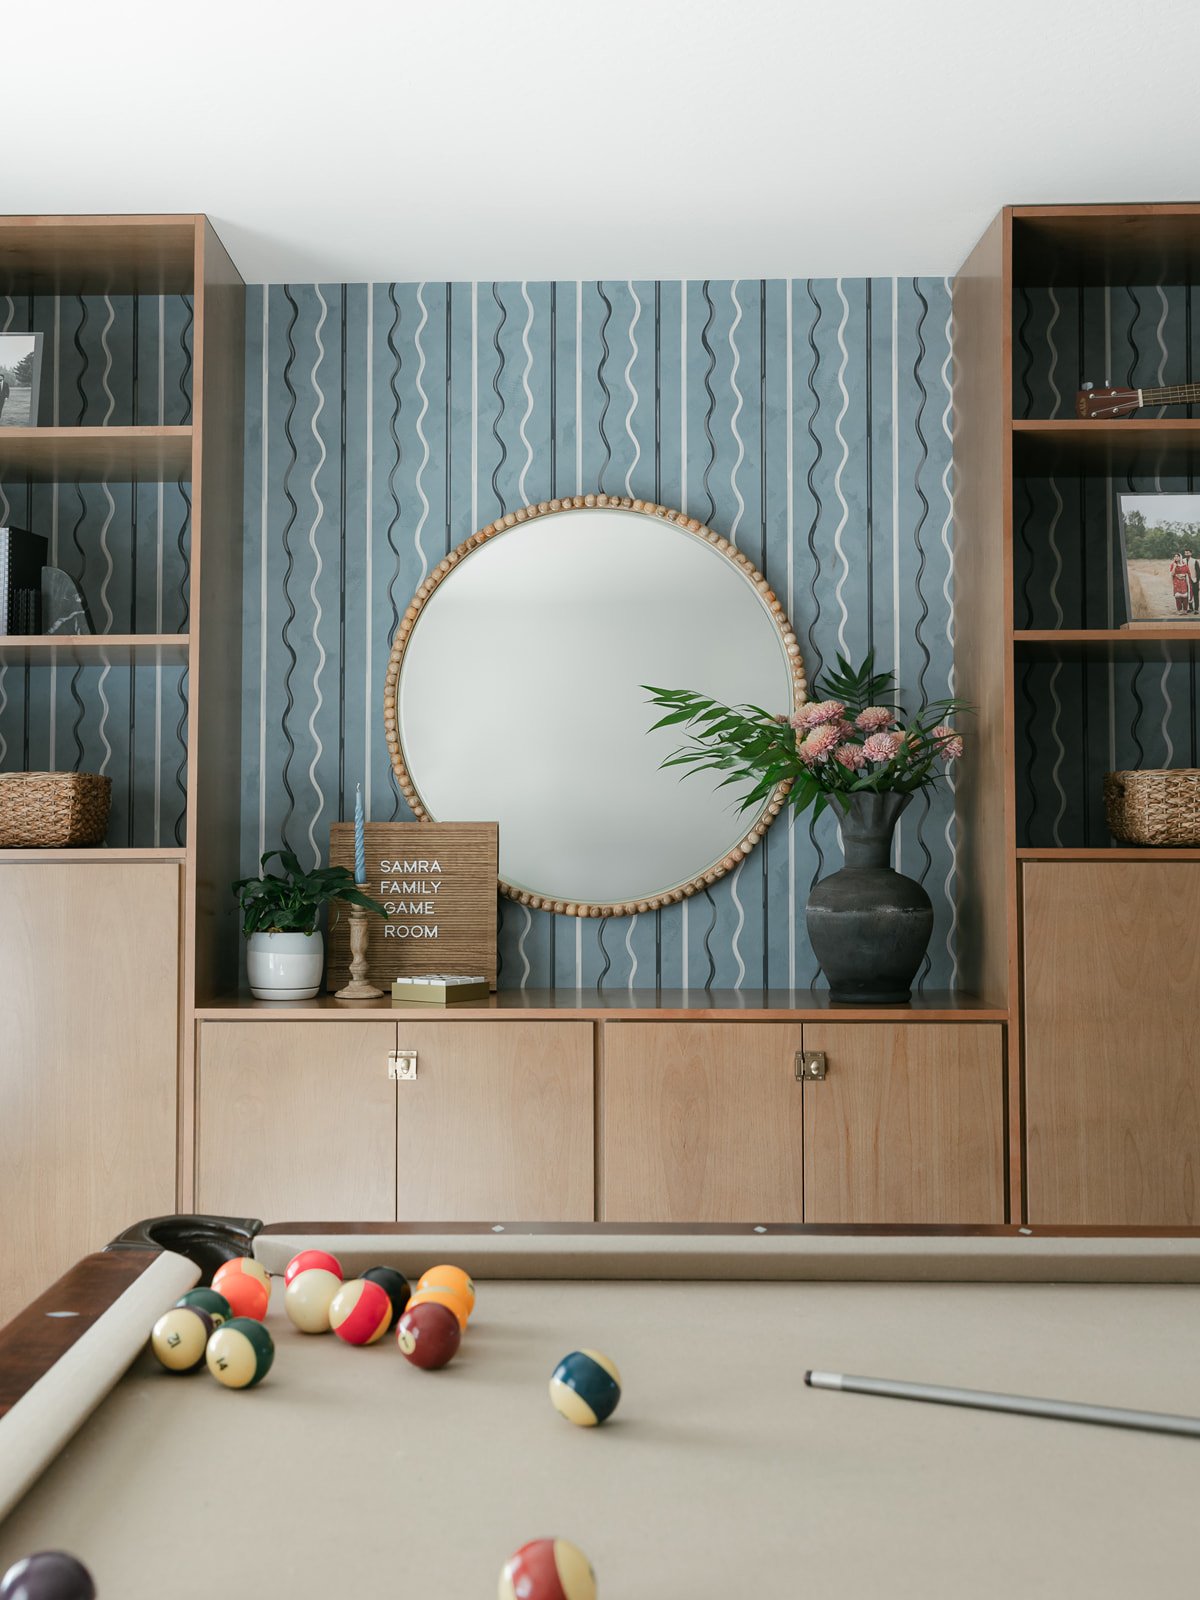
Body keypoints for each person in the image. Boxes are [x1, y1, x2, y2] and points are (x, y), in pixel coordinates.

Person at [1186, 549, 1200, 614]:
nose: (1186, 554)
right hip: (1186, 580)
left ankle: (1196, 609)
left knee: (1195, 595)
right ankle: (1191, 608)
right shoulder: (1183, 560)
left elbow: (1198, 572)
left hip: (1194, 580)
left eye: (1188, 553)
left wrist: (1197, 581)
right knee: (1188, 594)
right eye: (1185, 553)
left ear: (1191, 553)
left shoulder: (1195, 561)